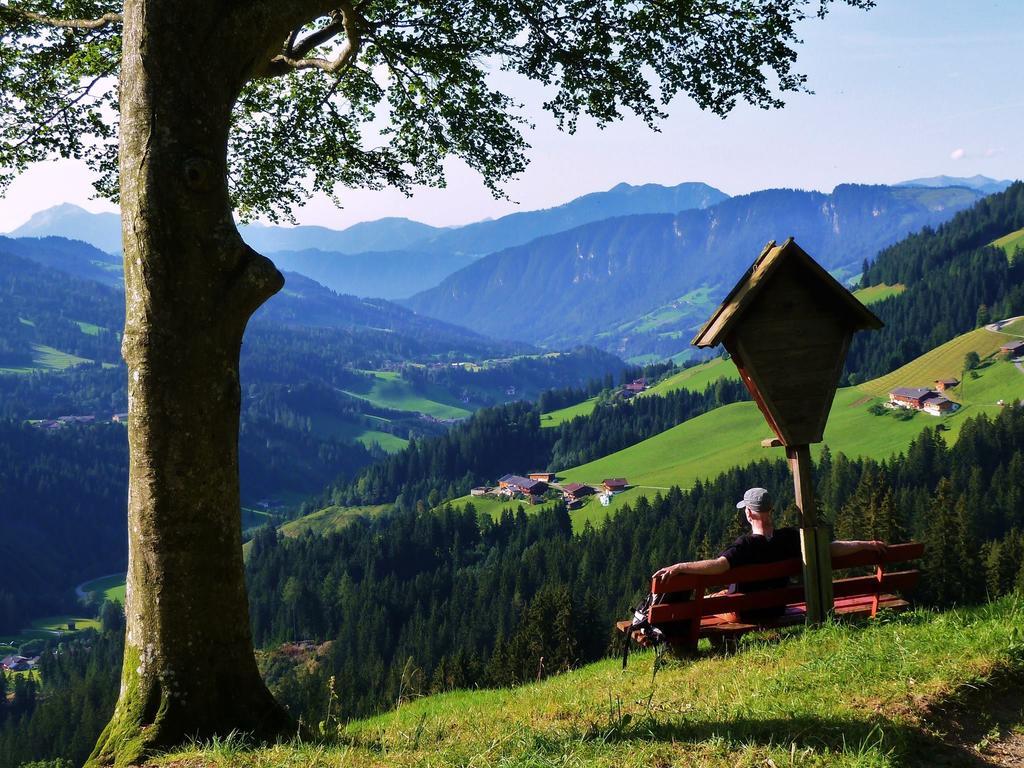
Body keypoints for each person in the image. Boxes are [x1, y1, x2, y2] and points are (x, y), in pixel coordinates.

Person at [652, 487, 886, 623]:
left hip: (745, 612)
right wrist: (866, 544)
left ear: (749, 514)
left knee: (714, 600)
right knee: (723, 594)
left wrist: (680, 566)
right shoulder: (791, 538)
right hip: (776, 609)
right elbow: (829, 548)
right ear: (770, 511)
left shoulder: (745, 545)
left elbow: (719, 566)